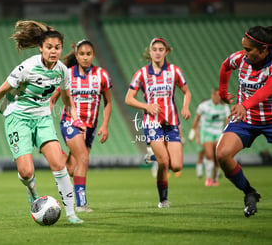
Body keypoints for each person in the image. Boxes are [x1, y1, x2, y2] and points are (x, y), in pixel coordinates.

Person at [0, 20, 84, 224]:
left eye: (57, 48)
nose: (53, 51)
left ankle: (72, 214)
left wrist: (74, 115)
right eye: (49, 47)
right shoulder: (27, 67)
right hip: (17, 117)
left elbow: (66, 97)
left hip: (42, 118)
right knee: (26, 171)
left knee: (58, 163)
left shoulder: (62, 71)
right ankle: (32, 190)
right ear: (41, 48)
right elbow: (0, 91)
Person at [125, 37, 191, 208]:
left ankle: (154, 153)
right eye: (154, 49)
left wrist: (185, 107)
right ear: (150, 52)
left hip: (171, 123)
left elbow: (187, 92)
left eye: (161, 49)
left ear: (166, 52)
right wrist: (146, 106)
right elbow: (128, 99)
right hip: (151, 123)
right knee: (164, 162)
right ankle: (163, 200)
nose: (157, 52)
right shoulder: (142, 73)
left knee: (176, 166)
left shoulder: (175, 71)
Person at [50, 39, 112, 212]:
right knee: (84, 158)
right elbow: (53, 99)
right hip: (70, 122)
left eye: (88, 54)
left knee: (72, 168)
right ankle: (81, 204)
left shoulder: (102, 75)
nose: (85, 57)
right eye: (82, 54)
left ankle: (55, 154)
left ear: (93, 55)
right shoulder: (67, 74)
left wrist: (105, 125)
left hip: (90, 126)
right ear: (76, 56)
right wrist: (45, 119)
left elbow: (108, 102)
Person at [216, 26, 272, 217]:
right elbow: (225, 65)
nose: (245, 54)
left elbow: (267, 90)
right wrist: (223, 92)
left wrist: (245, 104)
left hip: (269, 118)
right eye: (244, 48)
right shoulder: (241, 58)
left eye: (249, 50)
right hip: (246, 118)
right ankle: (249, 192)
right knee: (222, 154)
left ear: (264, 50)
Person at [189, 89, 230, 186]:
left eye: (218, 95)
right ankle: (208, 178)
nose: (216, 97)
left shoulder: (224, 107)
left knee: (217, 157)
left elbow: (227, 122)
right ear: (212, 95)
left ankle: (215, 178)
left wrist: (227, 134)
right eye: (215, 95)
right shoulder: (204, 106)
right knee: (209, 155)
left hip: (219, 133)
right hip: (206, 132)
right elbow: (196, 119)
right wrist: (193, 132)